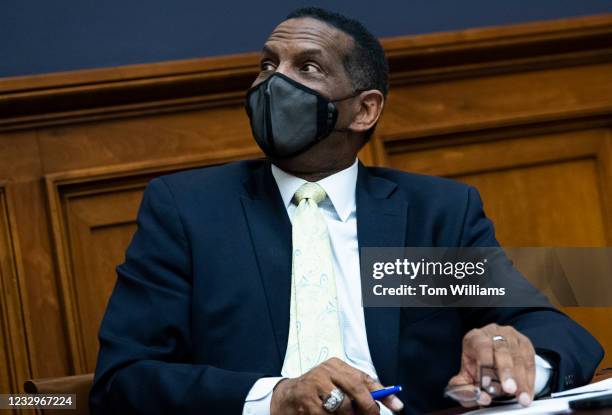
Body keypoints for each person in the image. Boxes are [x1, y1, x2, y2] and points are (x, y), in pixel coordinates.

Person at [90, 7, 603, 415]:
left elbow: (553, 330)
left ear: (364, 109)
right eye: (267, 65)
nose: (273, 83)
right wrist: (274, 398)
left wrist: (517, 359)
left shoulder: (433, 213)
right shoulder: (189, 212)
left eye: (305, 67)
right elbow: (125, 378)